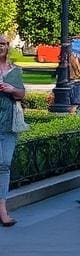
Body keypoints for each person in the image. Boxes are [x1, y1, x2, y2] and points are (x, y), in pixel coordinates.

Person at [0, 33, 26, 226]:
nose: (1, 46)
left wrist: (11, 89)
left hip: (9, 123)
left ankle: (2, 209)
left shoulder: (14, 71)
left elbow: (21, 93)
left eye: (3, 43)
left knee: (4, 165)